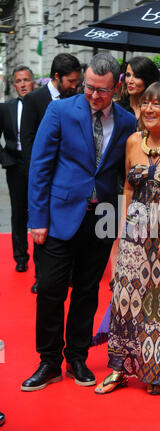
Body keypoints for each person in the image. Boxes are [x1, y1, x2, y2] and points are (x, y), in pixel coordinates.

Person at [20, 52, 137, 392]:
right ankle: (48, 361)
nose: (93, 95)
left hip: (101, 218)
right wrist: (37, 219)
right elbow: (40, 167)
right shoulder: (59, 111)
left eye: (101, 90)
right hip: (58, 217)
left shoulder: (127, 121)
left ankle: (77, 357)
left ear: (116, 87)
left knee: (87, 291)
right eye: (88, 87)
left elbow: (123, 174)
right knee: (52, 290)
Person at [95, 81, 160, 395]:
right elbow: (127, 188)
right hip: (134, 233)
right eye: (145, 104)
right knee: (125, 301)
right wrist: (118, 235)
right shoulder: (132, 141)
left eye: (157, 104)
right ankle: (118, 369)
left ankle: (159, 372)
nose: (149, 109)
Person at [92, 56, 160, 346]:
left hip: (146, 195)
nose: (130, 80)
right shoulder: (116, 111)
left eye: (136, 76)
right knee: (117, 254)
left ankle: (141, 319)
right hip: (118, 189)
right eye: (127, 75)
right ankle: (115, 317)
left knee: (143, 260)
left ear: (148, 80)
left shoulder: (155, 110)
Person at [21, 53, 82, 293]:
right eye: (71, 81)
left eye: (77, 82)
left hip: (67, 180)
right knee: (40, 227)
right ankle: (41, 275)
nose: (75, 86)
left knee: (65, 229)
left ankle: (66, 273)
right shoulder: (35, 99)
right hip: (43, 178)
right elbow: (27, 142)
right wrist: (35, 180)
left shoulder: (77, 99)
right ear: (57, 77)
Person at [0, 66, 35, 272]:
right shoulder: (6, 108)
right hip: (15, 165)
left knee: (40, 211)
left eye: (26, 80)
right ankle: (20, 256)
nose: (23, 84)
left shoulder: (44, 106)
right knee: (18, 212)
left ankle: (42, 262)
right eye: (19, 81)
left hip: (38, 166)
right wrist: (6, 158)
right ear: (14, 85)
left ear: (33, 83)